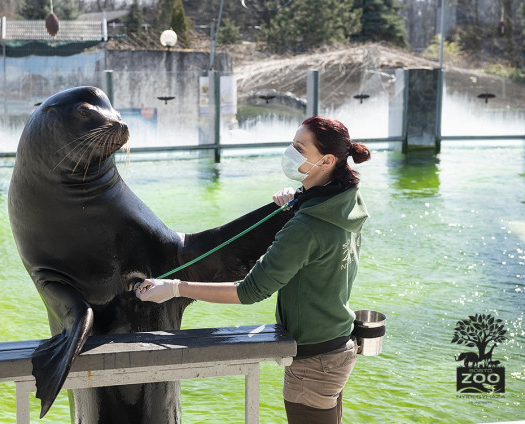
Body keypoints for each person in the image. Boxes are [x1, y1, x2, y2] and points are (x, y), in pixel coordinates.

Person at [135, 116, 371, 424]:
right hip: (339, 342)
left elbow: (250, 291)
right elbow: (321, 236)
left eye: (300, 148)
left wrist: (176, 288)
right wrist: (299, 199)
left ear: (326, 160)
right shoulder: (348, 201)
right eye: (292, 143)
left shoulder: (305, 227)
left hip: (314, 361)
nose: (291, 152)